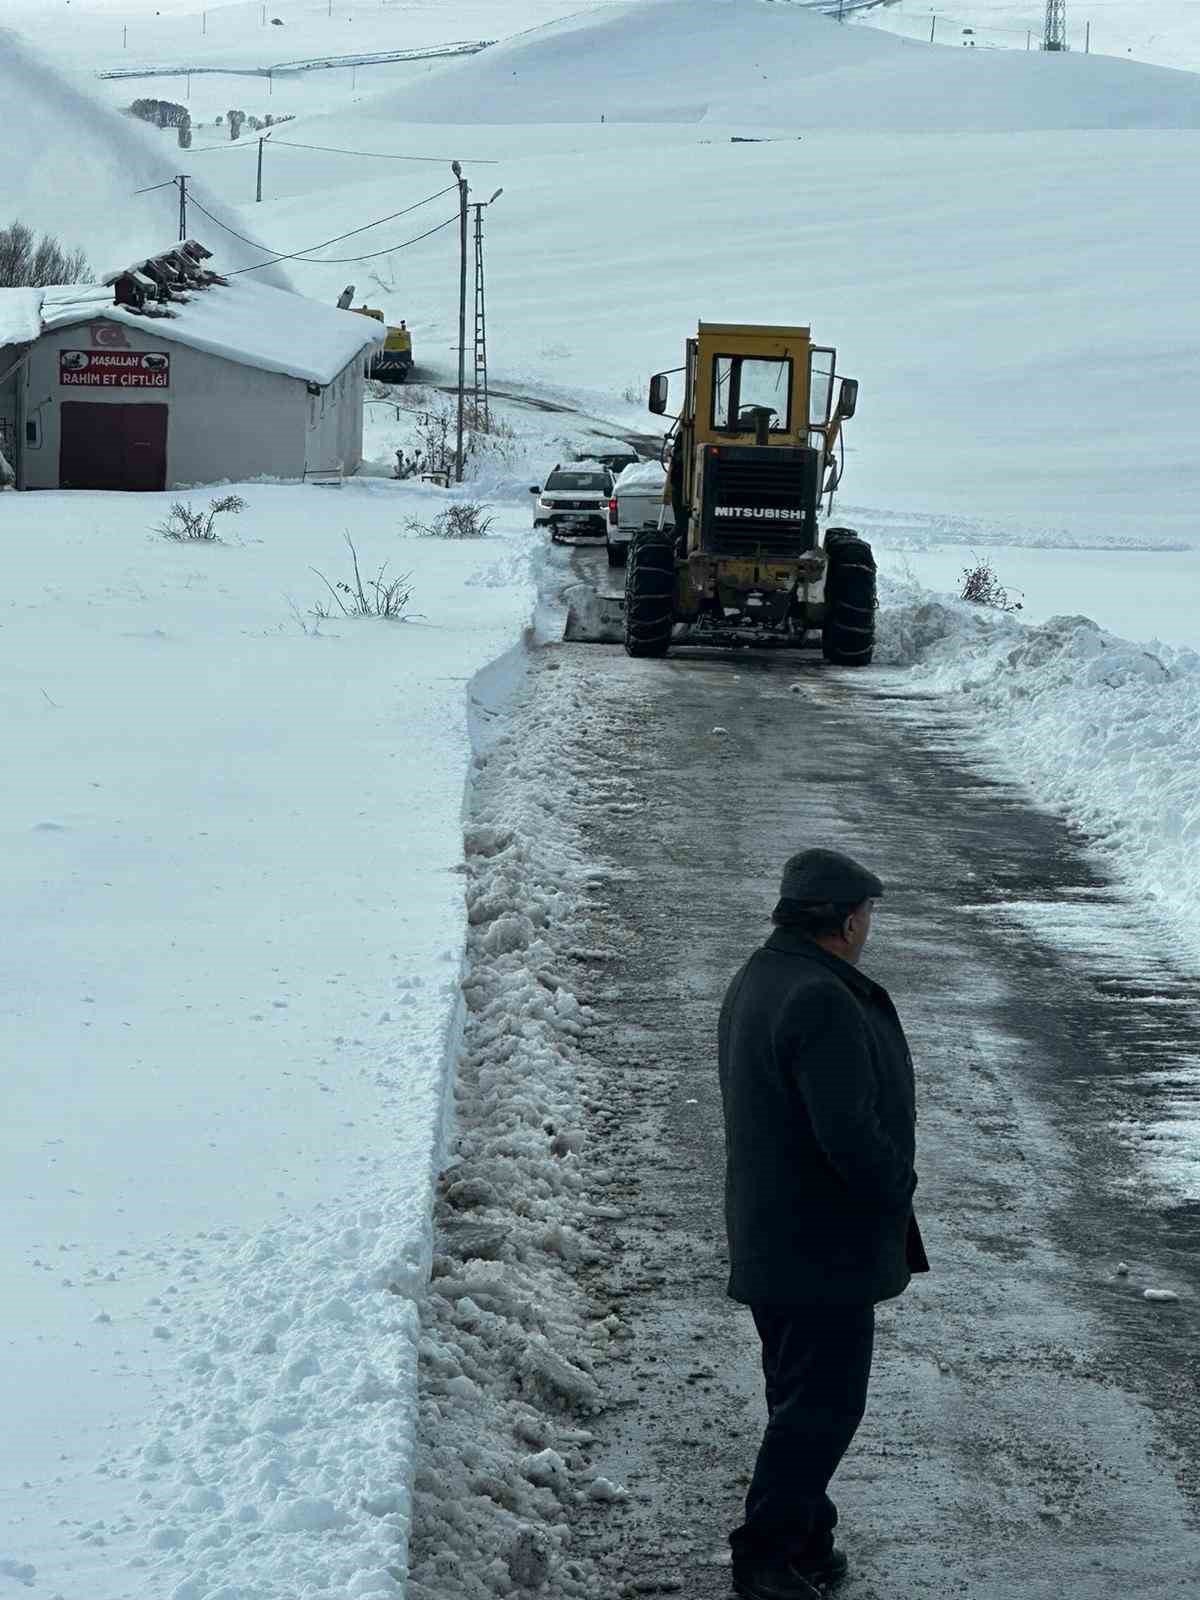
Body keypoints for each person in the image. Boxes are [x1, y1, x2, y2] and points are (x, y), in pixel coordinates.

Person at [718, 848, 929, 1600]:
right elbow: (849, 1133)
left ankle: (807, 1535)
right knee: (825, 1406)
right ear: (845, 920)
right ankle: (766, 1556)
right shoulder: (820, 997)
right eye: (868, 913)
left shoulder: (763, 976)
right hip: (819, 1245)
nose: (871, 926)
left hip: (778, 1237)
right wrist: (894, 1186)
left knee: (800, 1396)